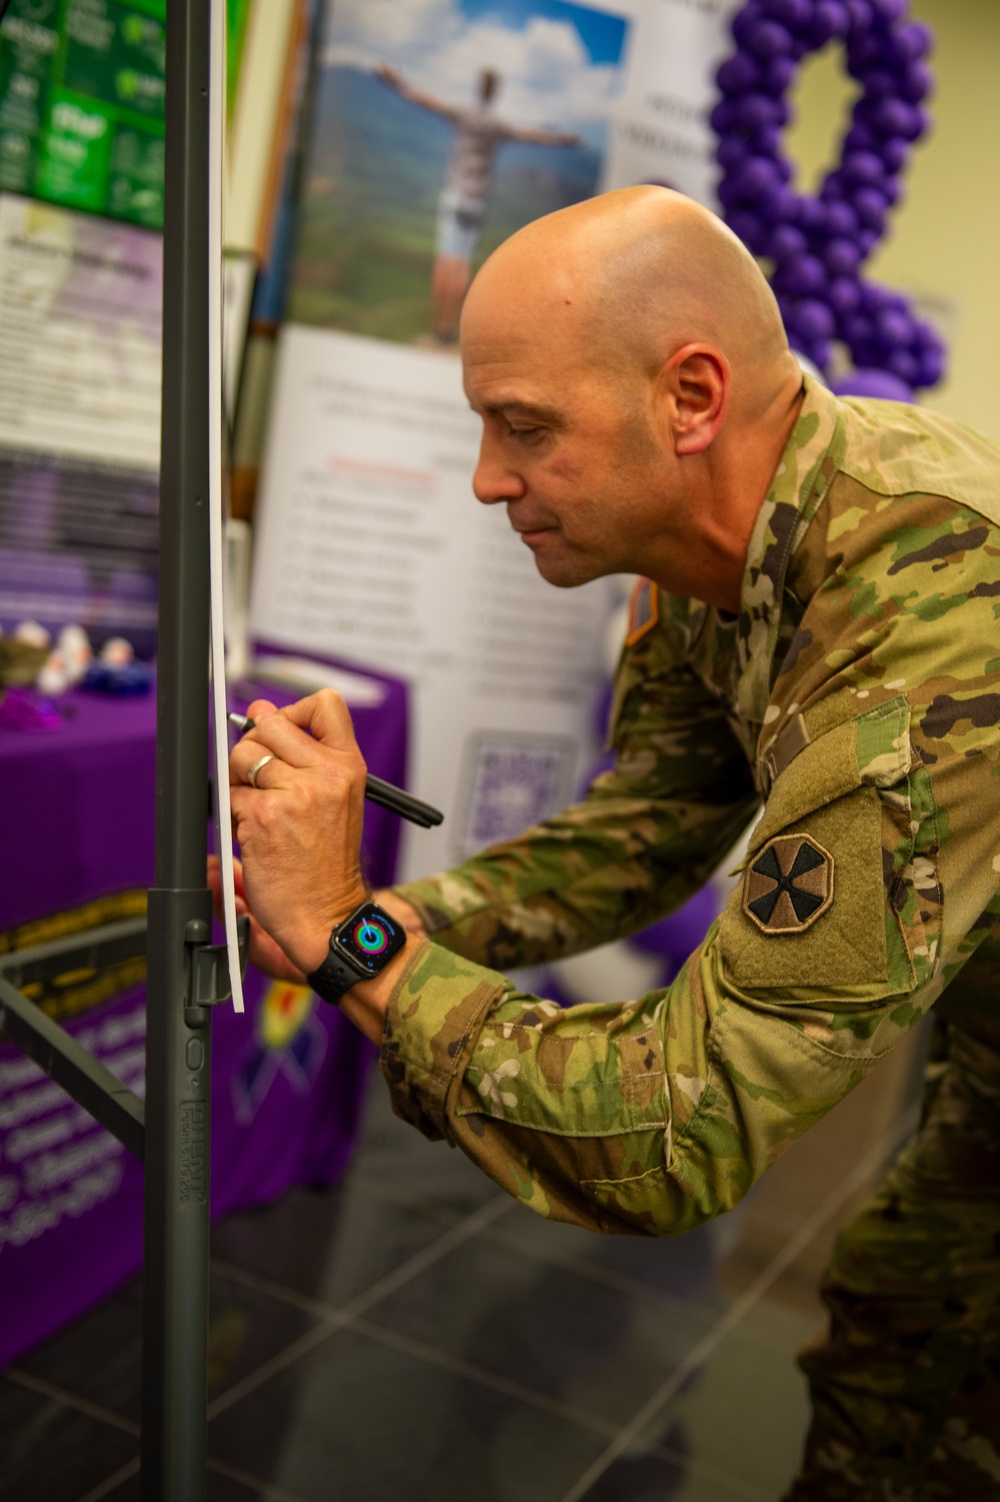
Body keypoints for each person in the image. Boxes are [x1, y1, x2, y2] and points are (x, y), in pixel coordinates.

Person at [224, 188, 1000, 1499]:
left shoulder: (934, 605)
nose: (487, 479)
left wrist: (350, 939)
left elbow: (673, 1134)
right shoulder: (716, 550)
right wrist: (404, 913)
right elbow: (642, 833)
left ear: (690, 397)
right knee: (901, 1341)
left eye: (525, 427)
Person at [374, 64, 579, 344]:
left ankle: (439, 328)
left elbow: (426, 102)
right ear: (495, 93)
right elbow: (530, 135)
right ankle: (452, 329)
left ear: (478, 89)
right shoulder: (497, 125)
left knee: (445, 262)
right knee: (462, 265)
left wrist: (398, 85)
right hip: (476, 201)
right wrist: (562, 140)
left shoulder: (463, 114)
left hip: (456, 195)